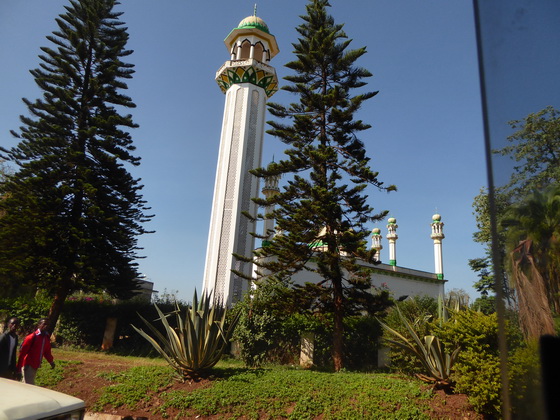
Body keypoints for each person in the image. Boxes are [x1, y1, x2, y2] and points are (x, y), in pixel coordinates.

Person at [17, 318, 55, 385]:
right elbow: (22, 354)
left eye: (47, 325)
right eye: (44, 324)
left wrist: (51, 361)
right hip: (28, 365)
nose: (46, 326)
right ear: (39, 325)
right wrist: (18, 369)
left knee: (26, 385)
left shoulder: (46, 337)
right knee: (29, 386)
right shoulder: (31, 337)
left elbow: (47, 352)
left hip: (35, 366)